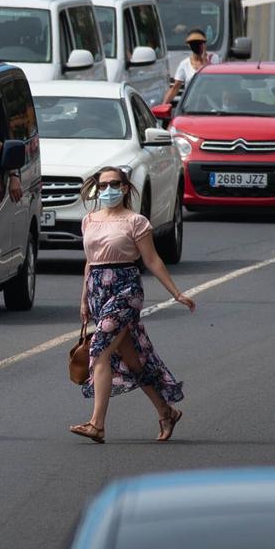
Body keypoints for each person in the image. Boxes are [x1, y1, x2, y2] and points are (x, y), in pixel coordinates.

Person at [70, 167, 194, 444]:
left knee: (100, 350)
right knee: (133, 360)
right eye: (102, 186)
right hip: (98, 291)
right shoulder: (90, 220)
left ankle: (97, 424)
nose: (108, 190)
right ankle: (166, 411)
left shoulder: (135, 222)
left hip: (126, 289)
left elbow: (152, 260)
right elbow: (90, 261)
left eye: (114, 184)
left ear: (125, 188)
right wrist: (83, 300)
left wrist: (176, 293)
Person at [164, 27, 216, 104]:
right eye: (194, 43)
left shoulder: (214, 59)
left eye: (201, 43)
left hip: (212, 106)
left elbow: (215, 81)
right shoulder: (184, 64)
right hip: (192, 106)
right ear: (189, 45)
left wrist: (204, 59)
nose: (198, 46)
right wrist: (163, 105)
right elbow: (175, 88)